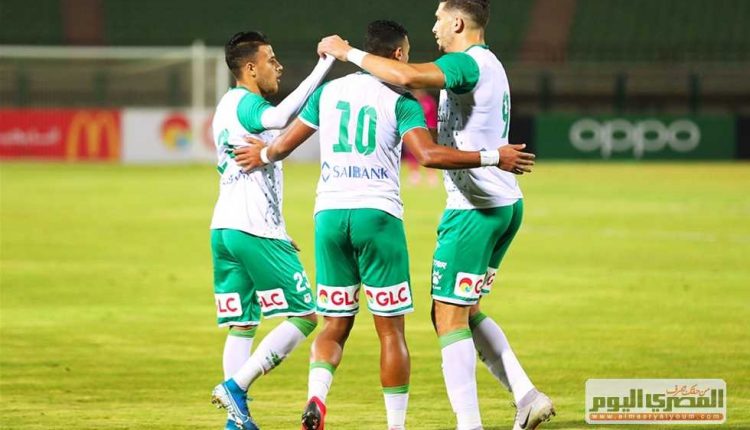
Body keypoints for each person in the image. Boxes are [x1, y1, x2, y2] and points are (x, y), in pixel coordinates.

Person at [233, 19, 534, 430]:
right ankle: (395, 426)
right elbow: (426, 155)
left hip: (329, 217)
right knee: (391, 333)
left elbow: (285, 143)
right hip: (378, 217)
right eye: (406, 54)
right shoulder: (401, 101)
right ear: (397, 54)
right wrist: (493, 156)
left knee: (333, 324)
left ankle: (317, 397)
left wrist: (264, 155)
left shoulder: (328, 92)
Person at [317, 1, 555, 429]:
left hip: (474, 210)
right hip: (503, 204)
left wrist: (347, 52)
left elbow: (406, 76)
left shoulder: (466, 62)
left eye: (439, 18)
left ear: (458, 22)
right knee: (467, 309)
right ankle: (527, 395)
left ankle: (469, 424)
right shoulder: (489, 64)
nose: (434, 27)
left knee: (447, 316)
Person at [208, 30, 334, 430]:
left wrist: (278, 227)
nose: (277, 67)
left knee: (243, 324)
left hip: (225, 228)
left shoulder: (225, 107)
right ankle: (235, 387)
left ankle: (236, 422)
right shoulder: (247, 103)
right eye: (271, 60)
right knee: (306, 315)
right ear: (250, 68)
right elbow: (280, 119)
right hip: (252, 229)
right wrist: (325, 66)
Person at [402, 89, 439, 186]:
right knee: (411, 151)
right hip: (413, 130)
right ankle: (414, 174)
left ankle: (431, 174)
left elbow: (433, 117)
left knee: (430, 152)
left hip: (428, 130)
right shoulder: (410, 102)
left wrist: (433, 130)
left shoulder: (429, 101)